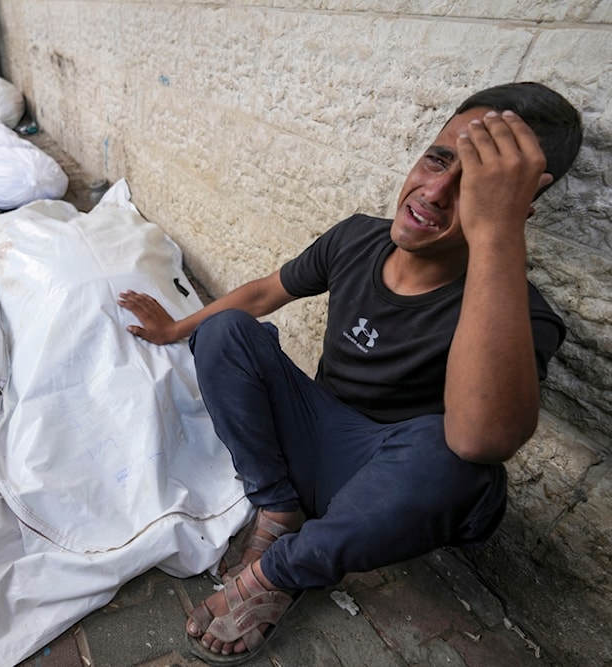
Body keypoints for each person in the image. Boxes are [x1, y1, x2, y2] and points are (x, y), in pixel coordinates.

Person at [117, 82, 582, 664]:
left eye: (474, 188)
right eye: (439, 159)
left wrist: (496, 235)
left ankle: (281, 573)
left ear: (513, 209)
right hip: (311, 438)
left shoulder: (519, 311)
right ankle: (279, 509)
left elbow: (479, 438)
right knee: (226, 329)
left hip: (385, 482)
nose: (435, 192)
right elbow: (263, 292)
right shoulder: (357, 237)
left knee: (464, 465)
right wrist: (177, 329)